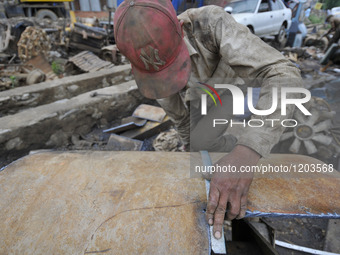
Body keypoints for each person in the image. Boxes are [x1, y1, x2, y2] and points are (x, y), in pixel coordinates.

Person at [114, 0, 302, 240]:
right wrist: (187, 147)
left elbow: (284, 73)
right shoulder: (147, 61)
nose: (166, 78)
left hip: (227, 89)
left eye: (173, 67)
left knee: (211, 142)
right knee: (195, 144)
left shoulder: (211, 23)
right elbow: (178, 115)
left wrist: (246, 152)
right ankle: (222, 149)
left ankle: (237, 143)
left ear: (181, 29)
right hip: (197, 94)